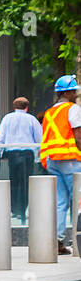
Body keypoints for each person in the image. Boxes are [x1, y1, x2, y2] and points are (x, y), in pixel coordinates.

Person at [39, 75, 81, 254]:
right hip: (71, 159)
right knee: (78, 201)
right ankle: (78, 241)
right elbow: (78, 136)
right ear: (69, 92)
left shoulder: (49, 112)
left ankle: (58, 241)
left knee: (61, 202)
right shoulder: (73, 109)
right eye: (75, 91)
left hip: (52, 160)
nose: (76, 94)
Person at [0, 96, 42, 220]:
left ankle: (14, 210)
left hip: (12, 153)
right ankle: (23, 210)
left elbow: (0, 137)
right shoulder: (31, 119)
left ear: (14, 106)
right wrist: (38, 156)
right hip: (27, 153)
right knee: (26, 182)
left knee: (14, 182)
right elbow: (39, 138)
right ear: (26, 107)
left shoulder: (7, 118)